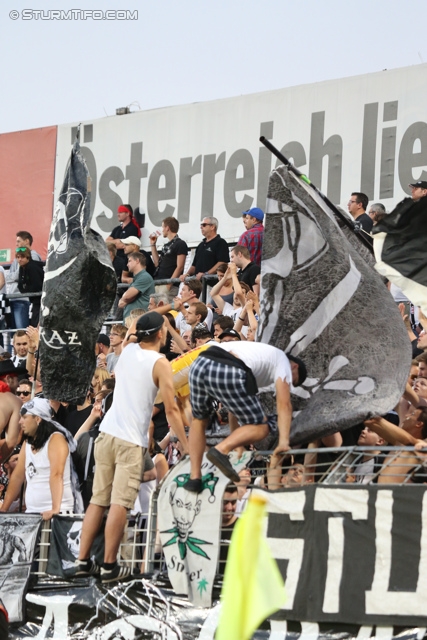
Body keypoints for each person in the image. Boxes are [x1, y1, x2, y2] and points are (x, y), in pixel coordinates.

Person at [76, 312, 188, 583]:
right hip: (130, 440)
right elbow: (172, 410)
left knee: (98, 500)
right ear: (161, 333)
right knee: (119, 503)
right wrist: (186, 445)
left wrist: (148, 317)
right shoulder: (159, 362)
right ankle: (109, 564)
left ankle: (82, 561)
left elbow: (132, 332)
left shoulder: (126, 351)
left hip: (106, 434)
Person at [184, 341, 307, 491]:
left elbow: (232, 409)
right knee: (262, 427)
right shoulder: (283, 361)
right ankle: (221, 449)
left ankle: (194, 478)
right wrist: (283, 442)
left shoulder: (258, 362)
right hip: (227, 367)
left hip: (199, 364)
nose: (289, 384)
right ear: (295, 367)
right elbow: (284, 405)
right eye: (293, 381)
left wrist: (238, 443)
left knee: (199, 420)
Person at [0, 398, 80, 519]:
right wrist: (4, 509)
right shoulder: (27, 443)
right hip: (33, 513)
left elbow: (57, 474)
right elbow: (17, 476)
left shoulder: (56, 439)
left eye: (24, 417)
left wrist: (55, 509)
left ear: (38, 419)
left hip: (57, 513)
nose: (20, 422)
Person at [5, 231, 42, 329]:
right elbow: (10, 276)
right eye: (18, 257)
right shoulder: (16, 259)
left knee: (22, 331)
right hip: (13, 298)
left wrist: (15, 277)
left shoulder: (33, 256)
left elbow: (19, 276)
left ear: (27, 241)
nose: (16, 244)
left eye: (18, 241)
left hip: (23, 299)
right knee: (14, 333)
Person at [180, 217, 229, 281]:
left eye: (204, 225)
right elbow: (194, 265)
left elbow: (222, 262)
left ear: (212, 227)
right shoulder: (200, 245)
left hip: (211, 284)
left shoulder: (220, 242)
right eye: (201, 225)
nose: (201, 227)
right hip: (198, 285)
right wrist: (187, 274)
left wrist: (206, 274)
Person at [150, 217, 188, 295]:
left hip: (168, 284)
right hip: (158, 282)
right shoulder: (166, 245)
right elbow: (157, 263)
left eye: (162, 227)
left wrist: (169, 284)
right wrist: (153, 245)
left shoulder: (180, 243)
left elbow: (180, 266)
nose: (162, 230)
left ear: (167, 228)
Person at [118, 252, 155, 320]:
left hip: (139, 321)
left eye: (129, 261)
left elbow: (126, 296)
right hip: (132, 321)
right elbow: (122, 302)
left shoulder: (144, 277)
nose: (127, 264)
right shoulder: (138, 278)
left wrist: (126, 299)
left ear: (137, 261)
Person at [105, 204, 141, 271]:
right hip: (114, 260)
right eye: (118, 212)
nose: (118, 214)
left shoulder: (132, 228)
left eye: (120, 212)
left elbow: (121, 245)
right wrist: (117, 241)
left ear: (127, 213)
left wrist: (115, 242)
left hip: (125, 261)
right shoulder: (117, 229)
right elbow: (106, 242)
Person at [16, 247, 44, 327]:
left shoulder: (32, 267)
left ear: (28, 257)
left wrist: (27, 290)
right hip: (36, 301)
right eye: (18, 257)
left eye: (22, 257)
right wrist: (27, 291)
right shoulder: (22, 267)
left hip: (41, 301)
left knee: (36, 326)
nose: (20, 259)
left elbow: (37, 286)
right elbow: (20, 285)